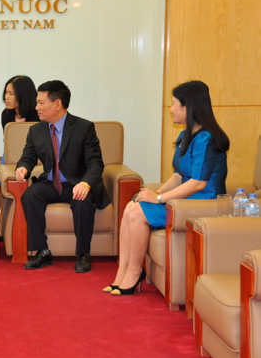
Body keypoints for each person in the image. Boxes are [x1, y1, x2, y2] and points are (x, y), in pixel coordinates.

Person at [106, 80, 229, 295]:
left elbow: (198, 183)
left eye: (173, 103)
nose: (170, 108)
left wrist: (159, 198)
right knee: (132, 206)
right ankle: (122, 272)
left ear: (188, 107)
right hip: (187, 201)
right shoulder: (186, 136)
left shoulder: (207, 138)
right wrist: (154, 194)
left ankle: (135, 272)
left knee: (137, 212)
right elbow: (178, 175)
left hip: (205, 203)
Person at [16, 80, 110, 273]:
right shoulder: (36, 130)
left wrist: (86, 183)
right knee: (30, 195)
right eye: (37, 102)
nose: (36, 107)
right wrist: (23, 168)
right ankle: (42, 251)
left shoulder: (83, 128)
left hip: (77, 183)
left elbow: (95, 163)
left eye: (41, 103)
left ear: (57, 104)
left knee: (82, 199)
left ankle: (83, 254)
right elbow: (28, 157)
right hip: (50, 184)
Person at [0, 76, 39, 176]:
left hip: (33, 160)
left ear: (23, 95)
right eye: (6, 92)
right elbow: (9, 145)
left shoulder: (38, 115)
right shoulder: (6, 115)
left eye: (11, 93)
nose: (6, 97)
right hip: (13, 160)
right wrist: (1, 161)